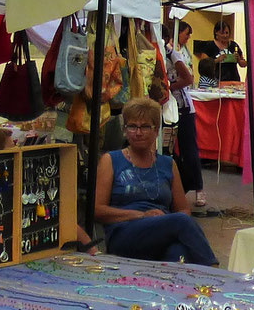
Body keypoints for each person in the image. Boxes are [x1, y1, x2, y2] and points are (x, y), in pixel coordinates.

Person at [93, 97, 219, 265]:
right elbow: (97, 210)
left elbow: (183, 209)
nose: (138, 132)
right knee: (180, 223)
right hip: (125, 232)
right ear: (125, 129)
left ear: (156, 130)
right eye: (132, 126)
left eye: (145, 127)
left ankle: (179, 289)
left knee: (177, 253)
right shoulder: (111, 160)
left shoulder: (168, 164)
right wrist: (141, 215)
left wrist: (163, 223)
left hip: (163, 230)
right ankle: (214, 270)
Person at [168, 20, 204, 196]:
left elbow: (188, 78)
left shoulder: (173, 54)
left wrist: (167, 86)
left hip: (182, 107)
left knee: (188, 149)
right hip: (167, 108)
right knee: (168, 150)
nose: (189, 37)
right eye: (187, 33)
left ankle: (198, 189)